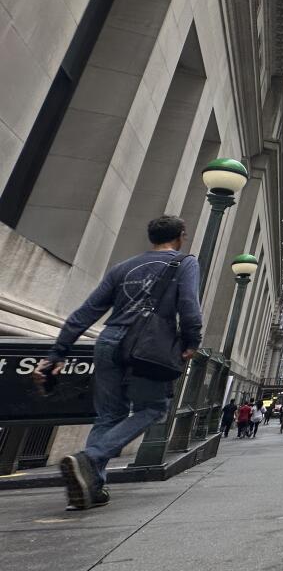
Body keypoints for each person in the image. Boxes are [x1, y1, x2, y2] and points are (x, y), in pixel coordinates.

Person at [32, 215, 201, 511]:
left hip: (108, 341)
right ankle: (91, 457)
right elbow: (189, 305)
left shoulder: (123, 267)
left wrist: (58, 353)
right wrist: (191, 342)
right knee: (153, 407)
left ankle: (91, 490)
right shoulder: (184, 263)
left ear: (152, 237)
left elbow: (85, 312)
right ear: (181, 236)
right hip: (148, 346)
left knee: (108, 416)